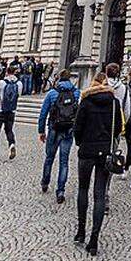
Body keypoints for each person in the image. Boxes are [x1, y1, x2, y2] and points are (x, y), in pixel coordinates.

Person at [72, 72, 123, 257]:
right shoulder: (114, 102)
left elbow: (77, 128)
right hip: (105, 153)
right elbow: (118, 129)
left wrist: (81, 142)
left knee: (83, 190)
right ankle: (94, 240)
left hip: (86, 151)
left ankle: (80, 232)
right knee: (100, 195)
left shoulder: (85, 101)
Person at [37, 69, 80, 203]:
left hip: (54, 129)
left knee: (49, 157)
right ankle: (60, 191)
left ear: (59, 78)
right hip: (68, 130)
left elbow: (43, 113)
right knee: (64, 161)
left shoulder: (52, 93)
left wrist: (41, 131)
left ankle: (45, 182)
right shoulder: (77, 93)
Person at [0, 66, 21, 162]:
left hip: (0, 111)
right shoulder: (19, 84)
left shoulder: (2, 83)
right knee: (9, 130)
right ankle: (11, 144)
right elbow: (19, 95)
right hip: (11, 111)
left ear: (7, 72)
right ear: (15, 72)